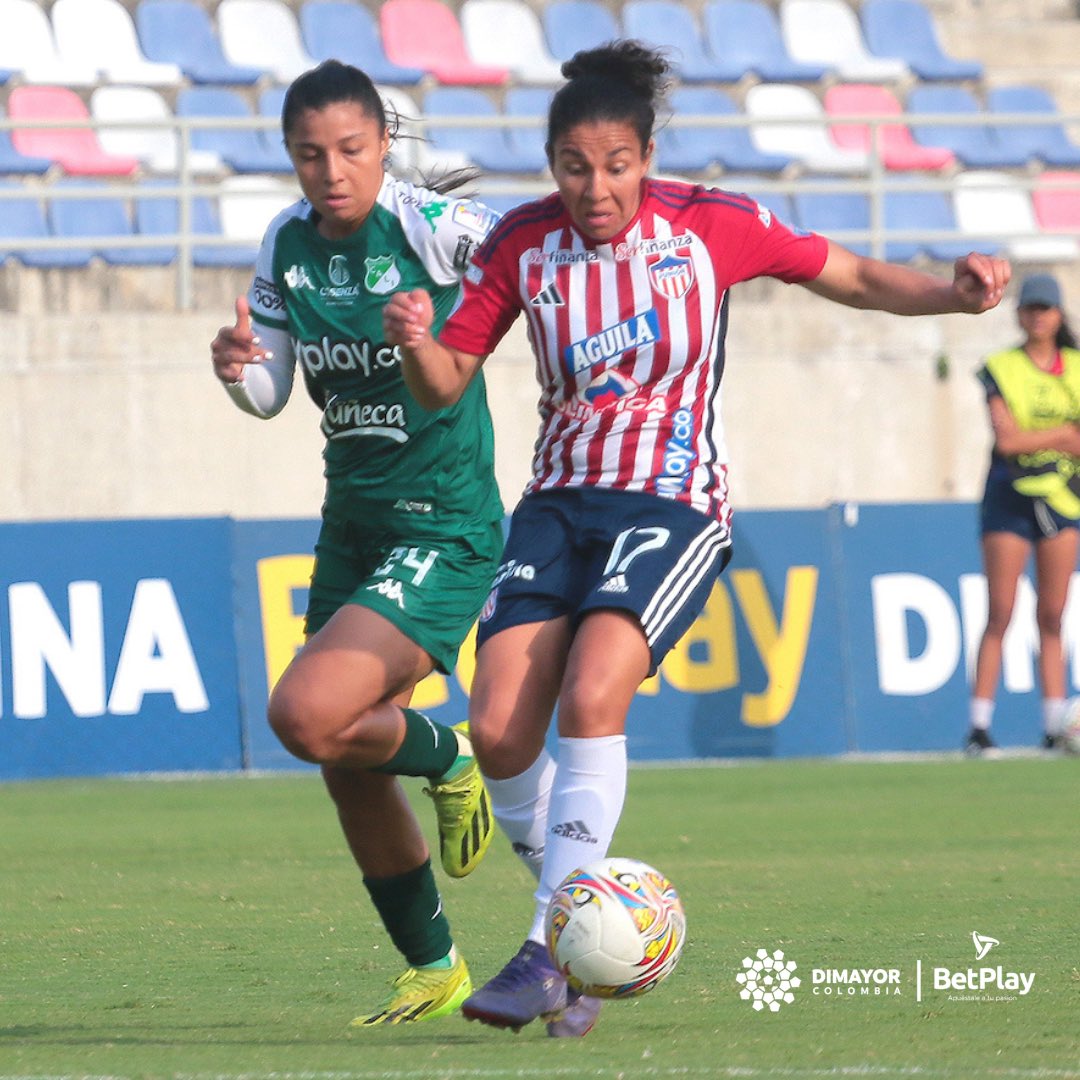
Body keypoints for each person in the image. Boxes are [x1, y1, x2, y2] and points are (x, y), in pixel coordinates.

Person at [383, 40, 1011, 1038]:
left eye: (618, 165)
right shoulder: (520, 246)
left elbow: (844, 273)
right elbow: (447, 379)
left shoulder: (710, 225)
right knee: (498, 729)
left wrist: (954, 291)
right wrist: (418, 339)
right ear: (552, 166)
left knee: (594, 690)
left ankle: (552, 946)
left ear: (646, 157)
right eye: (575, 168)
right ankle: (594, 934)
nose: (597, 188)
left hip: (670, 504)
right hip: (557, 503)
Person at [209, 60, 505, 1027]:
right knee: (341, 756)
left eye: (349, 149)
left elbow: (523, 258)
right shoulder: (284, 244)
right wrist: (234, 370)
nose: (330, 170)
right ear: (290, 158)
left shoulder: (427, 225)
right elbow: (268, 393)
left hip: (444, 523)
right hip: (355, 524)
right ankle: (436, 968)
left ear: (383, 145)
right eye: (309, 154)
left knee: (304, 715)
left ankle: (450, 757)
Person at [966, 272, 1080, 755]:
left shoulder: (1075, 367)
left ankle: (1055, 724)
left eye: (1045, 309)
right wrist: (1059, 436)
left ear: (1058, 316)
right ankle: (979, 726)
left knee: (1052, 614)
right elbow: (1007, 441)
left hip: (1062, 497)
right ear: (1018, 315)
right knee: (1002, 611)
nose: (1037, 316)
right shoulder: (1001, 367)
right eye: (1030, 308)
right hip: (1010, 496)